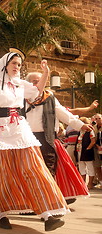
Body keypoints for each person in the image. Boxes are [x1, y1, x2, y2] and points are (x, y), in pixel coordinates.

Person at [0, 49, 68, 231]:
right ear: (5, 65)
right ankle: (0, 213)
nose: (17, 67)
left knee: (34, 166)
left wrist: (45, 74)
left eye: (19, 65)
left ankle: (48, 213)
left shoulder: (20, 84)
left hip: (20, 127)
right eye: (14, 64)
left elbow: (37, 91)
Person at [25, 71, 92, 202]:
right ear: (27, 83)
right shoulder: (21, 98)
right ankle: (32, 200)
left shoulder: (49, 97)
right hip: (28, 140)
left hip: (48, 139)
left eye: (39, 80)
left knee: (52, 169)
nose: (37, 83)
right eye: (33, 81)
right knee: (31, 171)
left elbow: (63, 113)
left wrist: (80, 125)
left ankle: (54, 198)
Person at [75, 117, 96, 189]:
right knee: (81, 168)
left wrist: (88, 149)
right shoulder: (80, 131)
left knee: (90, 167)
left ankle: (90, 184)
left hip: (87, 152)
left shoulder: (90, 131)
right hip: (79, 152)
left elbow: (93, 141)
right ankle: (83, 184)